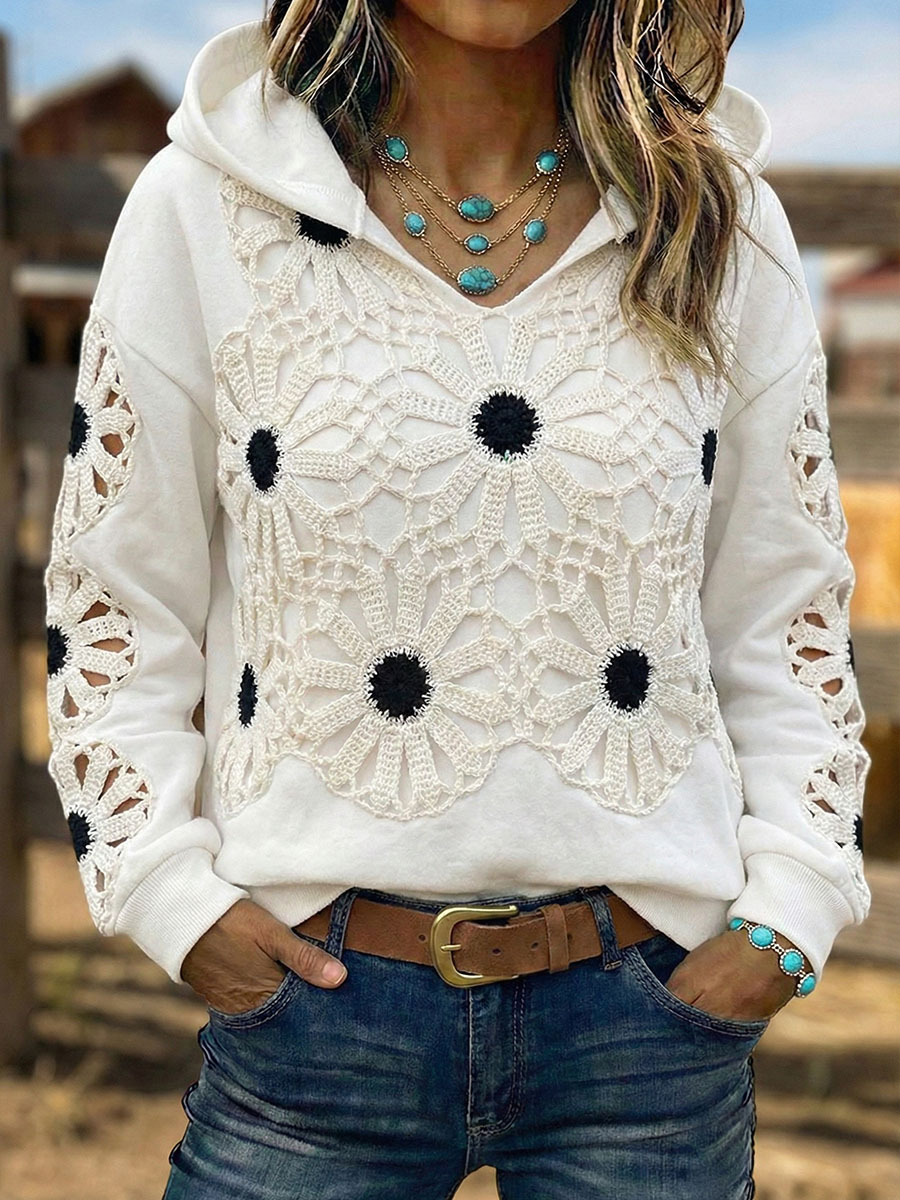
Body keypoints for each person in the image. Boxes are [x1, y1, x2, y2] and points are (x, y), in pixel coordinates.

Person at [43, 1, 871, 1196]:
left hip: (652, 1030)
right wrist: (170, 898)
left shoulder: (717, 221)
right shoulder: (205, 207)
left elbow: (786, 608)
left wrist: (789, 920)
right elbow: (114, 599)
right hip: (313, 1024)